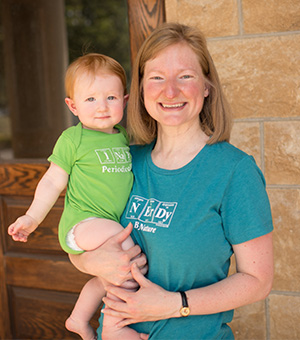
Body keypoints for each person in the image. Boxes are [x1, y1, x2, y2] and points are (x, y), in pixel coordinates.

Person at [69, 23, 274, 340]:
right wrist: (89, 262)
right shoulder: (123, 161)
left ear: (206, 86)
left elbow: (258, 280)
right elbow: (78, 230)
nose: (170, 91)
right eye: (157, 78)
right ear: (140, 89)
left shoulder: (234, 171)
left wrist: (174, 304)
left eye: (185, 77)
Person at [7, 53, 149, 340]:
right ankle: (113, 327)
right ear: (72, 105)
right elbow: (52, 181)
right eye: (90, 100)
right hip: (84, 222)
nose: (101, 107)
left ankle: (79, 318)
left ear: (124, 101)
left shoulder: (121, 136)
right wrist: (32, 217)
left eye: (111, 98)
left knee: (106, 276)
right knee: (129, 257)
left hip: (104, 221)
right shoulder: (74, 139)